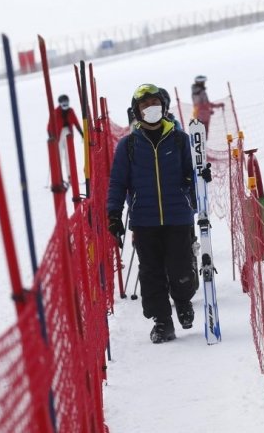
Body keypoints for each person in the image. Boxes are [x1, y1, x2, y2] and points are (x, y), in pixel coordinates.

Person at [107, 84, 203, 344]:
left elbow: (193, 174)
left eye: (155, 103)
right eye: (144, 105)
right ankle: (163, 322)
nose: (151, 109)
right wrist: (113, 214)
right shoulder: (128, 146)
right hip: (144, 220)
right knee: (151, 274)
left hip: (178, 216)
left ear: (164, 105)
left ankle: (183, 301)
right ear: (137, 112)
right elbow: (117, 183)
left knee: (181, 268)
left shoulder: (181, 140)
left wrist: (200, 177)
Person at [47, 94, 84, 183]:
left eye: (66, 103)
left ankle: (70, 176)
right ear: (60, 104)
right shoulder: (55, 112)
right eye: (63, 103)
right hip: (58, 137)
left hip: (68, 134)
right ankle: (58, 178)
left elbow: (76, 122)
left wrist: (82, 134)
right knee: (58, 157)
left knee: (69, 156)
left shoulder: (70, 111)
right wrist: (52, 138)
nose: (65, 105)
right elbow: (49, 127)